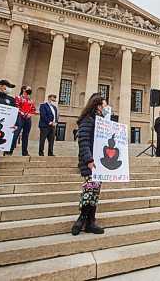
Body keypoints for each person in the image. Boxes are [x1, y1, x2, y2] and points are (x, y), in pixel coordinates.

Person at [71, 94, 107, 235]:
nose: (105, 109)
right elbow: (84, 142)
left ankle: (89, 220)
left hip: (99, 163)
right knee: (90, 190)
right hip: (90, 162)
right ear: (98, 106)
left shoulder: (100, 120)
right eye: (104, 106)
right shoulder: (88, 120)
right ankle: (83, 219)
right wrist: (89, 160)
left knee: (94, 191)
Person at [5, 86, 36, 156]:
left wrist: (30, 114)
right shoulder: (18, 98)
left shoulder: (30, 100)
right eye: (28, 89)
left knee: (26, 136)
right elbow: (16, 107)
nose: (30, 90)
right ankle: (9, 151)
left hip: (28, 119)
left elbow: (33, 109)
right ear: (23, 89)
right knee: (15, 134)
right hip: (20, 118)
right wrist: (24, 114)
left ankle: (24, 152)